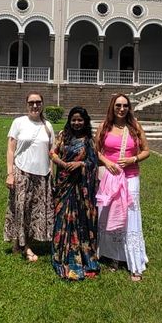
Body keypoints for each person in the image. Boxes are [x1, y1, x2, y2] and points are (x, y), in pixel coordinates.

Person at [95, 93, 150, 282]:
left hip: (130, 176)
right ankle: (114, 256)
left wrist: (133, 158)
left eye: (125, 105)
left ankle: (134, 262)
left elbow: (146, 151)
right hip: (110, 177)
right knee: (110, 215)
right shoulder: (105, 126)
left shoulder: (134, 126)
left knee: (130, 215)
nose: (121, 108)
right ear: (112, 107)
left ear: (129, 107)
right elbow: (96, 151)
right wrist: (106, 162)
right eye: (118, 105)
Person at [49, 107, 100, 281]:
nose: (76, 123)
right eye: (73, 120)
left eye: (80, 120)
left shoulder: (88, 141)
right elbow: (52, 153)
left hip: (81, 188)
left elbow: (93, 162)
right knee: (62, 217)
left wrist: (80, 165)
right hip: (64, 184)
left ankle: (83, 257)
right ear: (69, 120)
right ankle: (61, 255)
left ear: (85, 122)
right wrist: (62, 163)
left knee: (81, 220)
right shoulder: (63, 135)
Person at [5, 91, 54, 262]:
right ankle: (25, 247)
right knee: (21, 209)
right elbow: (11, 149)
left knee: (35, 211)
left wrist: (52, 174)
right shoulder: (19, 122)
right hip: (22, 172)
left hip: (42, 175)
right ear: (27, 104)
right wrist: (10, 174)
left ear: (42, 104)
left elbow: (51, 153)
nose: (35, 105)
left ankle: (23, 242)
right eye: (32, 102)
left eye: (38, 102)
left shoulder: (47, 125)